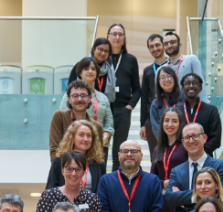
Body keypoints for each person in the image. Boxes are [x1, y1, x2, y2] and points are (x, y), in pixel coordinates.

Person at [165, 123, 223, 212]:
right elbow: (170, 198)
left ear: (204, 138)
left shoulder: (220, 166)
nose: (191, 141)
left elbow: (218, 196)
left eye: (195, 136)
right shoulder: (176, 170)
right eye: (187, 137)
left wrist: (184, 203)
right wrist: (204, 194)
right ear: (183, 142)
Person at [105, 23, 141, 171]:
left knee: (118, 153)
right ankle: (100, 183)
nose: (117, 37)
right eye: (114, 34)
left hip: (123, 111)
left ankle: (116, 181)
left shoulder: (130, 59)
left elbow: (137, 89)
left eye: (120, 34)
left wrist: (129, 106)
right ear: (108, 36)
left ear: (124, 38)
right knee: (101, 151)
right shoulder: (102, 58)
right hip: (104, 111)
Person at [59, 58, 114, 155]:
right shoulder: (70, 96)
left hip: (99, 146)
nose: (90, 71)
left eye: (93, 69)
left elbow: (109, 123)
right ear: (80, 73)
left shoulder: (103, 97)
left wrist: (104, 137)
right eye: (86, 69)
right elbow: (63, 120)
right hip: (75, 146)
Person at [46, 120, 106, 192]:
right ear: (72, 137)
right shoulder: (60, 161)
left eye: (89, 136)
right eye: (81, 135)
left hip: (91, 199)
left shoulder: (98, 163)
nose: (85, 139)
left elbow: (103, 191)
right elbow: (50, 189)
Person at [48, 80, 100, 162]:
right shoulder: (59, 117)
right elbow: (55, 150)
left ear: (89, 99)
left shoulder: (96, 126)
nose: (79, 99)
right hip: (65, 168)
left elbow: (97, 156)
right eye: (75, 95)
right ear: (69, 99)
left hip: (87, 168)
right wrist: (61, 169)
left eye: (83, 95)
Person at [175, 73, 221, 156]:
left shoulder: (211, 110)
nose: (191, 86)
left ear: (200, 88)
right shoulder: (176, 112)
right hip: (181, 159)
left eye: (195, 83)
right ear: (182, 89)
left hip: (205, 158)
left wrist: (199, 152)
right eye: (187, 83)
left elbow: (216, 139)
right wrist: (184, 153)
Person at [140, 33, 169, 159]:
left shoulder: (172, 66)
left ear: (163, 45)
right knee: (156, 156)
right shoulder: (147, 70)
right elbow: (144, 97)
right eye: (151, 46)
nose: (155, 48)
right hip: (152, 119)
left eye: (157, 45)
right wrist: (143, 124)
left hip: (171, 116)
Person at [161, 32, 208, 103]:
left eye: (172, 42)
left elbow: (200, 85)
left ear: (180, 44)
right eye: (166, 44)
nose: (169, 45)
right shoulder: (161, 69)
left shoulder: (191, 60)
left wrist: (205, 105)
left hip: (190, 106)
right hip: (170, 107)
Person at [68, 38, 116, 104]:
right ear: (93, 49)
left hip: (103, 106)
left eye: (106, 51)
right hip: (82, 105)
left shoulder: (110, 70)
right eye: (100, 49)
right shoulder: (80, 66)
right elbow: (70, 89)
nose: (103, 53)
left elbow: (111, 98)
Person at [148, 66, 183, 140]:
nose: (166, 80)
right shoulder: (156, 104)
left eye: (169, 76)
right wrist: (166, 142)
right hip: (166, 142)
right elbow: (156, 127)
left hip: (184, 141)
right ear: (158, 81)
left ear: (174, 78)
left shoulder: (184, 98)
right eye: (162, 77)